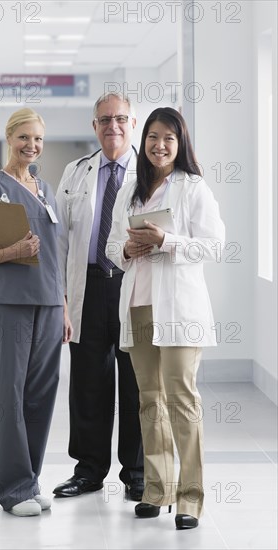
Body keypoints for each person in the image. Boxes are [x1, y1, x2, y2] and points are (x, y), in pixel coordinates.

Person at [107, 107, 225, 529]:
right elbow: (111, 246)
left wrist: (167, 241)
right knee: (149, 400)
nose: (159, 145)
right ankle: (158, 490)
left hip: (179, 308)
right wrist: (126, 250)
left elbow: (213, 245)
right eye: (154, 137)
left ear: (180, 144)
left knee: (181, 399)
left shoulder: (193, 188)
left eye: (169, 139)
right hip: (139, 303)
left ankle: (191, 499)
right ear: (145, 142)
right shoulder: (131, 190)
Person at [0, 108, 72, 517]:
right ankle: (12, 491)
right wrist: (14, 251)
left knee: (41, 397)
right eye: (24, 138)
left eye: (39, 140)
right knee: (10, 397)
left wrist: (64, 306)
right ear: (9, 138)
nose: (32, 146)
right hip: (10, 305)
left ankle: (30, 481)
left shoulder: (46, 190)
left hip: (49, 304)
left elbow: (55, 256)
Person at [53, 92, 144, 500]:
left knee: (136, 380)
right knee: (88, 382)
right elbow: (59, 242)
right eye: (105, 119)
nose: (113, 126)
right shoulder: (75, 171)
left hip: (132, 286)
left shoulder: (153, 173)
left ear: (133, 123)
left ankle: (137, 473)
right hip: (87, 285)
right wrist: (61, 300)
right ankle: (88, 470)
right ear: (94, 126)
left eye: (121, 118)